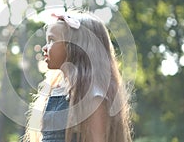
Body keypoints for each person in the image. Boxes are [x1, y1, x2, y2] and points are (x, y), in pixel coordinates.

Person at [23, 10, 132, 142]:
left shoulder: (93, 97)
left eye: (51, 40)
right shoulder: (55, 91)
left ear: (76, 46)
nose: (45, 48)